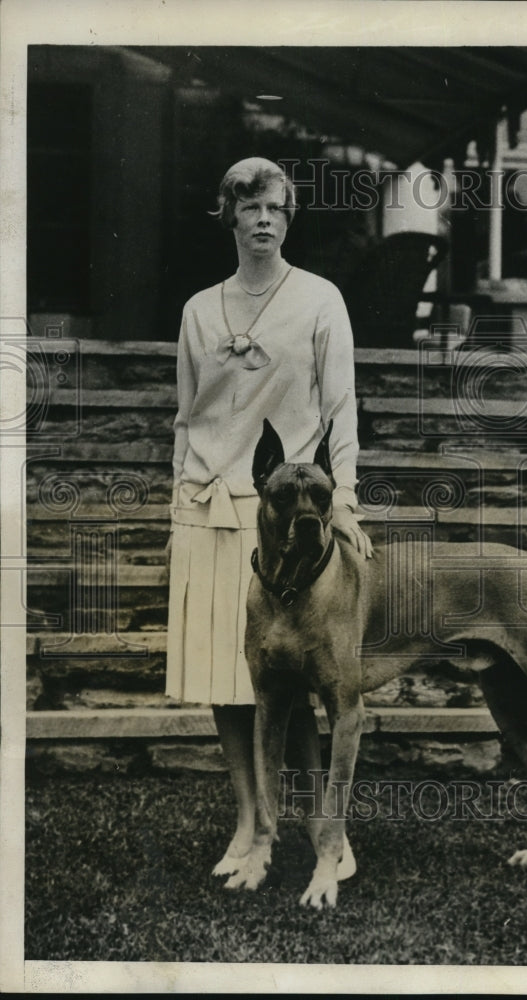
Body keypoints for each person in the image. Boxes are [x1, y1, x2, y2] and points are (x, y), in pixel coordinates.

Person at [165, 156, 371, 882]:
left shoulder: (318, 300)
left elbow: (341, 407)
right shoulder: (198, 309)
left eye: (276, 208)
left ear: (289, 217)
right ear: (229, 215)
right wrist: (180, 497)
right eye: (248, 206)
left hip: (290, 521)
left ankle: (327, 833)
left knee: (304, 677)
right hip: (207, 506)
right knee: (229, 682)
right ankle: (251, 825)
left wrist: (342, 499)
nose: (262, 219)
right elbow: (187, 417)